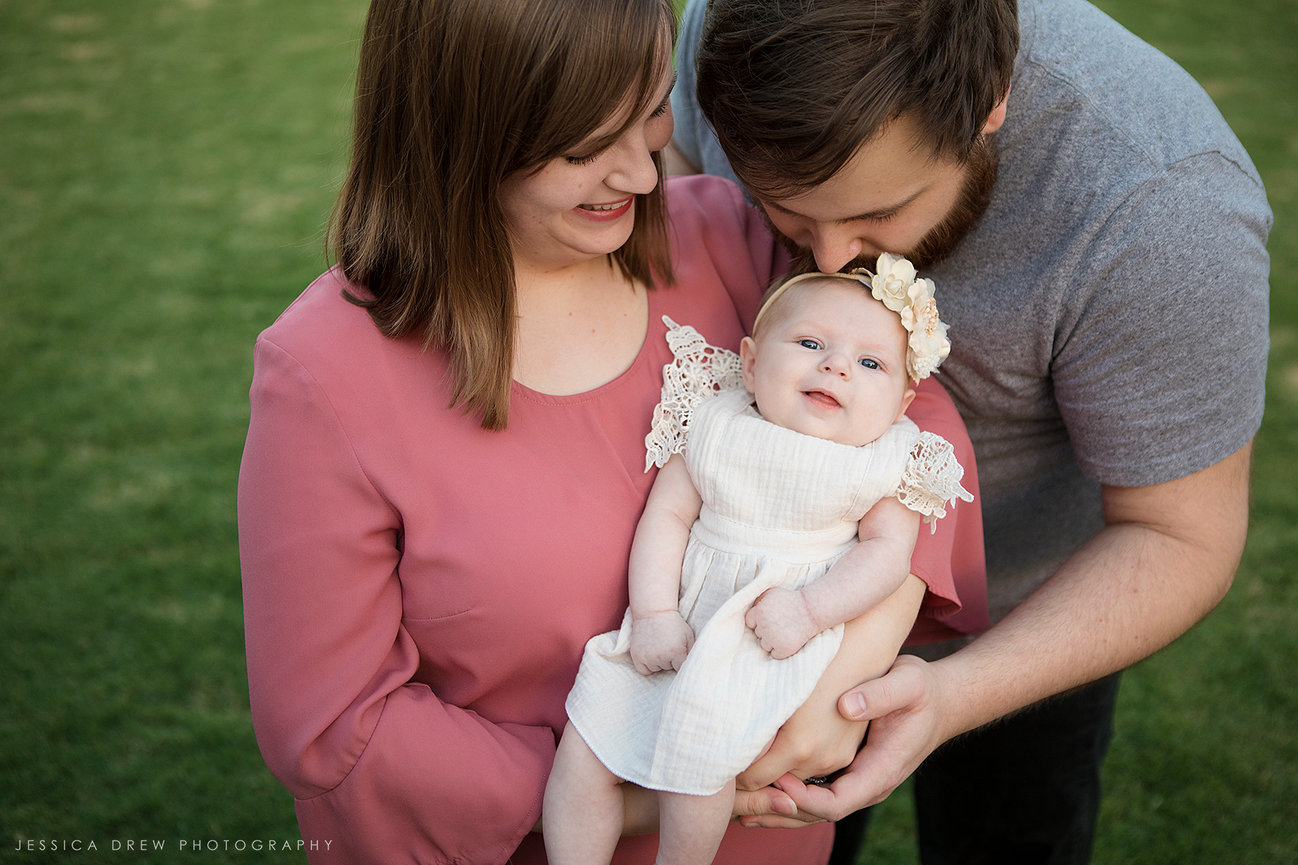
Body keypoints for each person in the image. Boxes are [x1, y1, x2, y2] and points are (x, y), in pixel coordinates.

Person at [236, 0, 988, 863]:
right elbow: (334, 728)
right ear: (459, 131)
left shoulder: (724, 237)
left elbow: (917, 428)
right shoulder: (323, 373)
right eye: (584, 147)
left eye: (653, 110)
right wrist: (645, 781)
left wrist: (852, 660)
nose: (640, 172)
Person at [669, 0, 1272, 862]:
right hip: (748, 595)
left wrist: (949, 697)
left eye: (878, 213)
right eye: (786, 211)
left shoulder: (1158, 203)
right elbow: (681, 196)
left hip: (1029, 616)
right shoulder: (731, 34)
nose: (830, 260)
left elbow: (1181, 535)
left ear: (991, 102)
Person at [544, 264, 974, 865]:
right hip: (682, 616)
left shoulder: (883, 460)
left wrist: (810, 610)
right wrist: (655, 613)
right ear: (750, 363)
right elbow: (667, 517)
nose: (837, 367)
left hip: (772, 632)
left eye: (870, 363)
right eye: (811, 343)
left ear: (902, 403)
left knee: (703, 756)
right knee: (588, 739)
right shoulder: (714, 420)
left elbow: (887, 557)